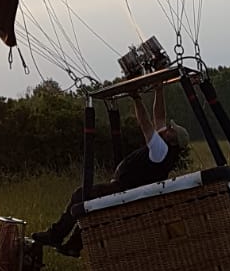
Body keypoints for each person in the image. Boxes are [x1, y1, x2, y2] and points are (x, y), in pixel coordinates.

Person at [31, 84, 189, 257]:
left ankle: (55, 236)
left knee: (81, 196)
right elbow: (159, 117)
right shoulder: (166, 150)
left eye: (171, 130)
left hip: (124, 191)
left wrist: (136, 98)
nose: (167, 128)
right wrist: (159, 90)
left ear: (173, 140)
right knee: (94, 208)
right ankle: (73, 245)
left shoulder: (161, 150)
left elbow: (146, 124)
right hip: (126, 190)